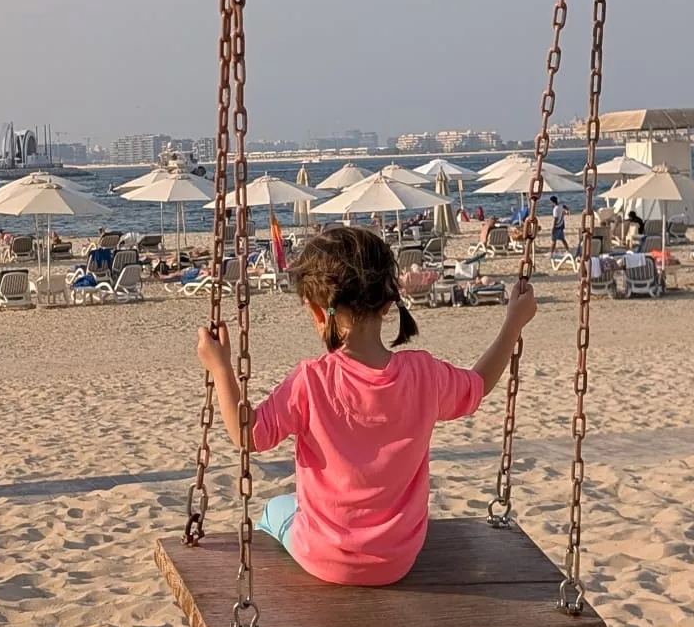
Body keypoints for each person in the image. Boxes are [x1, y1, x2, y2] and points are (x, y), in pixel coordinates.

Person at [197, 224, 536, 586]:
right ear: (390, 304)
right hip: (398, 559)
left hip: (323, 556)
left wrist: (221, 367)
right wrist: (513, 324)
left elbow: (247, 436)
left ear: (317, 312)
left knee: (273, 509)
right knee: (290, 506)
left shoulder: (311, 380)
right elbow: (479, 385)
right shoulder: (424, 373)